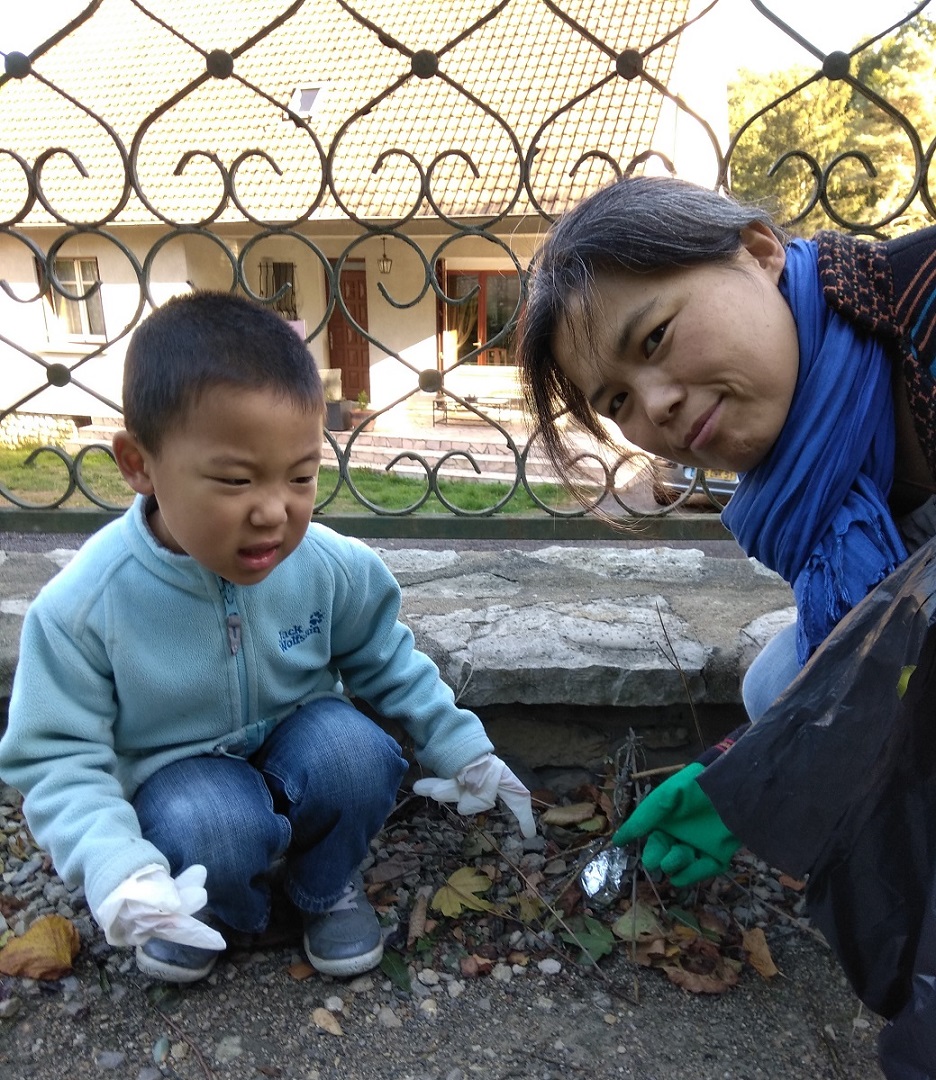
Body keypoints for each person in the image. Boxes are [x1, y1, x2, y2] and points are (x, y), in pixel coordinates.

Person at [0, 291, 535, 985]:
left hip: (298, 744)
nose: (274, 511)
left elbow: (386, 659)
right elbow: (58, 759)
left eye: (302, 476)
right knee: (211, 826)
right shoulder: (83, 608)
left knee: (358, 751)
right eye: (235, 480)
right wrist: (117, 869)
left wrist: (460, 745)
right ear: (138, 464)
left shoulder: (328, 566)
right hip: (179, 779)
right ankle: (217, 910)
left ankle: (321, 888)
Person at [516, 173, 936, 886]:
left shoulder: (924, 305)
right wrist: (751, 766)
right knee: (783, 683)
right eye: (619, 400)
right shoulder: (809, 473)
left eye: (656, 336)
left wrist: (792, 766)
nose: (659, 407)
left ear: (758, 251)